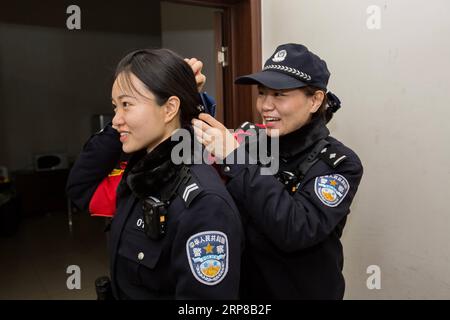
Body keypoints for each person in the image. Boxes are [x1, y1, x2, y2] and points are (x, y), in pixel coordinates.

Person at [66, 48, 243, 299]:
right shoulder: (140, 176)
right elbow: (80, 186)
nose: (115, 119)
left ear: (170, 108)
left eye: (126, 104)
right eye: (115, 106)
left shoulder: (203, 203)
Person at [192, 43, 364, 299]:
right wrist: (187, 96)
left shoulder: (339, 162)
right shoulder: (251, 141)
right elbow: (196, 152)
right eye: (262, 93)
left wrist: (235, 157)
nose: (265, 106)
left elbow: (296, 228)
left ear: (315, 100)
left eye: (279, 95)